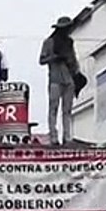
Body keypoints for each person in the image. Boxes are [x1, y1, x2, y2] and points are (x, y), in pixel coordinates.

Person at [39, 16, 84, 145]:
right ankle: (53, 136)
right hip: (55, 79)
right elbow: (42, 60)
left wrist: (77, 74)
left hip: (69, 79)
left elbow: (73, 59)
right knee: (53, 107)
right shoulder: (49, 42)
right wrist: (55, 58)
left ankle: (67, 136)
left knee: (67, 110)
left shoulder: (69, 42)